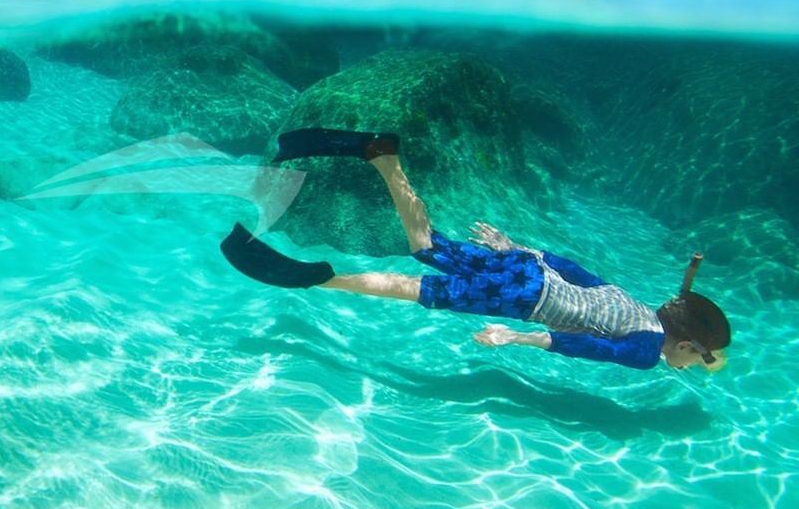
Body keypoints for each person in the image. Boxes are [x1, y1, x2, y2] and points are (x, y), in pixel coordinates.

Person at [220, 128, 731, 372]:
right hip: (524, 299)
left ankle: (382, 156)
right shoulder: (645, 352)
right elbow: (579, 344)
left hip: (527, 268)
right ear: (684, 345)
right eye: (698, 360)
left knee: (424, 245)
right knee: (422, 291)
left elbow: (577, 271)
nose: (691, 367)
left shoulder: (638, 304)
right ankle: (318, 278)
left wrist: (517, 247)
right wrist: (514, 337)